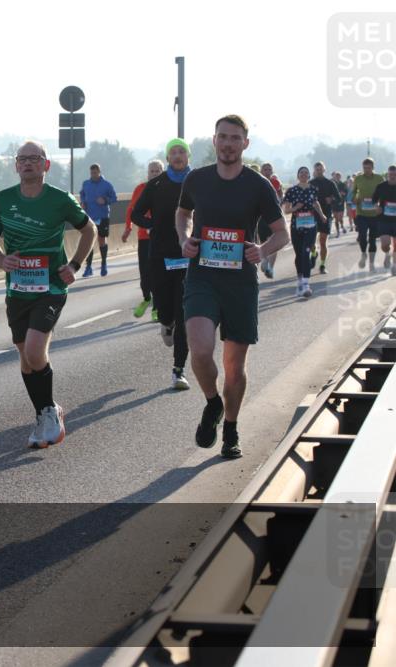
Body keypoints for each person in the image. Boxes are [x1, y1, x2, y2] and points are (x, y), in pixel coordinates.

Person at [177, 115, 288, 459]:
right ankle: (213, 404)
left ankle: (231, 428)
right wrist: (184, 238)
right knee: (199, 350)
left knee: (234, 368)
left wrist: (262, 250)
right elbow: (182, 214)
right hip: (202, 276)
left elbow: (280, 232)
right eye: (222, 137)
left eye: (235, 138)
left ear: (245, 144)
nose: (228, 143)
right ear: (214, 141)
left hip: (240, 282)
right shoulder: (197, 179)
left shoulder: (257, 185)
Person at [0, 141, 96, 448]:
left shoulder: (60, 200)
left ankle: (49, 416)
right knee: (24, 355)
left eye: (35, 159)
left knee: (34, 350)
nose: (28, 163)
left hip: (51, 286)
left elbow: (90, 230)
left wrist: (75, 264)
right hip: (17, 288)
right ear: (16, 165)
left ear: (46, 165)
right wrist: (0, 260)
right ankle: (45, 412)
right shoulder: (2, 200)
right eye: (23, 159)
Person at [132, 140, 193, 391]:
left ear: (188, 156)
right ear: (168, 157)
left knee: (185, 313)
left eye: (182, 152)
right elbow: (136, 213)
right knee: (167, 311)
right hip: (161, 254)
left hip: (189, 255)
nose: (178, 156)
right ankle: (165, 323)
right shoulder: (156, 184)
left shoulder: (198, 181)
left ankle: (178, 370)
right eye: (173, 152)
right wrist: (151, 226)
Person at [124, 160, 164, 321]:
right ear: (147, 173)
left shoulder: (167, 189)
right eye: (152, 171)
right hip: (144, 237)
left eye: (157, 171)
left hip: (161, 237)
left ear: (162, 171)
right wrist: (128, 228)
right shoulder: (140, 189)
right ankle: (147, 298)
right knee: (144, 274)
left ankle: (157, 308)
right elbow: (131, 210)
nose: (154, 173)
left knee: (157, 273)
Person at [282, 167, 327, 298]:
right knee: (299, 254)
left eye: (306, 173)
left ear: (309, 175)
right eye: (301, 173)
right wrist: (295, 208)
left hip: (311, 225)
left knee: (305, 252)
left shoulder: (313, 189)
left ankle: (306, 284)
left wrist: (322, 215)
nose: (303, 175)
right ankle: (300, 278)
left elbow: (315, 202)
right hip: (296, 226)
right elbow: (286, 210)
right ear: (298, 175)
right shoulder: (291, 190)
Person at [79, 164, 117, 277]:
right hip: (89, 216)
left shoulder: (107, 185)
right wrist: (83, 202)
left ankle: (104, 264)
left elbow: (114, 198)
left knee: (101, 239)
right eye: (91, 173)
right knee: (89, 240)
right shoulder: (86, 183)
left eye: (95, 173)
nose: (93, 175)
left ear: (99, 172)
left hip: (102, 216)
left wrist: (105, 200)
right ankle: (88, 267)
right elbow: (82, 194)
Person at [352, 158, 386, 271]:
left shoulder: (379, 178)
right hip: (361, 213)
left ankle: (371, 263)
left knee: (372, 239)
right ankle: (363, 253)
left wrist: (380, 205)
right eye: (365, 168)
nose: (366, 170)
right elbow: (353, 192)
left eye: (369, 168)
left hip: (375, 214)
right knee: (362, 236)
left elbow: (384, 193)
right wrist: (355, 199)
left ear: (373, 168)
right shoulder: (358, 178)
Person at [309, 161, 339, 274]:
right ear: (314, 170)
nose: (319, 171)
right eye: (317, 169)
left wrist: (331, 199)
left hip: (326, 215)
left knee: (323, 241)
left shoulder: (330, 183)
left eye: (321, 169)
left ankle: (322, 265)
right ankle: (314, 253)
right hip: (312, 215)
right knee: (311, 241)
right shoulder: (310, 183)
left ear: (324, 170)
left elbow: (338, 198)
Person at [258, 162, 284, 280]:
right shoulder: (256, 182)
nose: (267, 171)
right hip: (260, 217)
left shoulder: (276, 183)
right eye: (265, 169)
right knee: (263, 241)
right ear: (261, 171)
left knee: (274, 240)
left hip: (273, 216)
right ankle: (264, 259)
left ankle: (271, 268)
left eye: (269, 169)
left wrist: (279, 198)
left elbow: (281, 198)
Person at [372, 164, 396, 277]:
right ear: (387, 175)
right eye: (390, 175)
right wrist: (376, 206)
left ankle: (394, 265)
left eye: (394, 175)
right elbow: (374, 200)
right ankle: (387, 254)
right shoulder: (381, 186)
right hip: (384, 219)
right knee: (385, 244)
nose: (392, 177)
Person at [330, 170, 349, 235]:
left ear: (340, 177)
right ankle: (338, 232)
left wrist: (343, 194)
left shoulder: (343, 184)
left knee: (340, 218)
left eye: (339, 176)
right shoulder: (332, 184)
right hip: (334, 203)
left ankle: (342, 226)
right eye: (336, 176)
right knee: (336, 218)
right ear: (334, 177)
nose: (337, 177)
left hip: (341, 202)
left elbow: (346, 192)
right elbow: (329, 193)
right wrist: (332, 196)